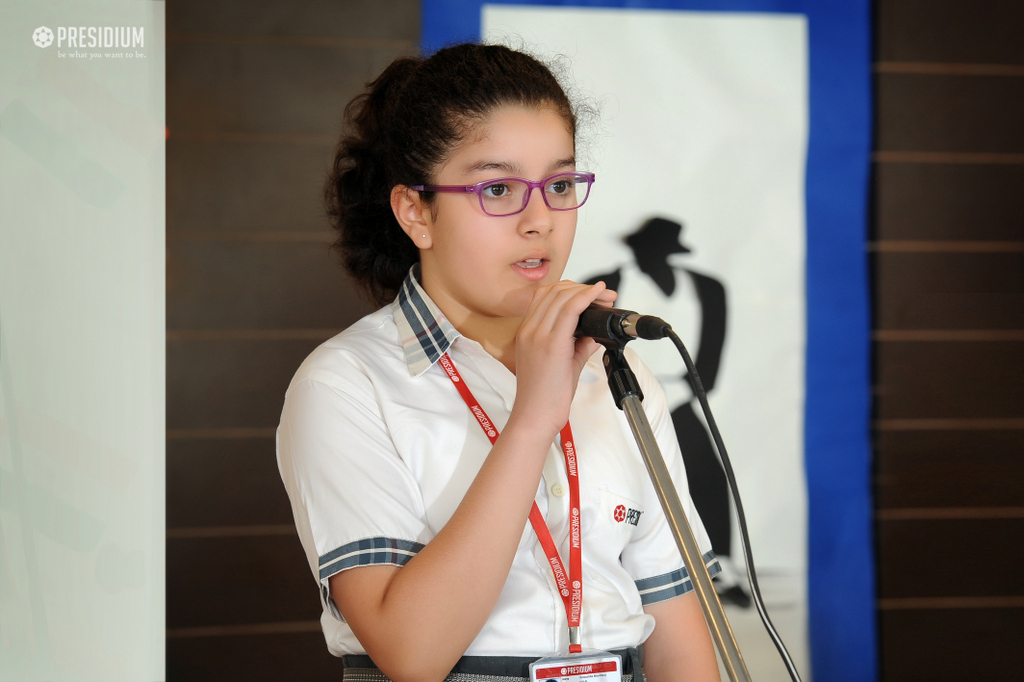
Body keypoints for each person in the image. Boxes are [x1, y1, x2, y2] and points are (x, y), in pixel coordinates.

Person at [276, 43, 721, 682]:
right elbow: (411, 652)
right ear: (416, 212)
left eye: (561, 185)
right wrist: (534, 417)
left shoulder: (618, 373)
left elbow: (681, 640)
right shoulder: (346, 384)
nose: (540, 220)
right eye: (499, 188)